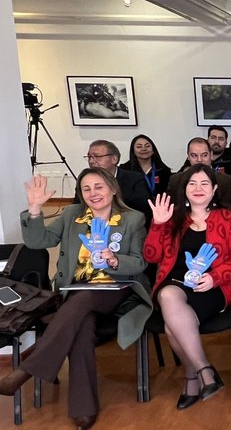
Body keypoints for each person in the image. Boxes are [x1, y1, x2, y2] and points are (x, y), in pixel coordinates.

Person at [0, 169, 151, 429]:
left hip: (117, 286)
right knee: (81, 325)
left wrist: (114, 259)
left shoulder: (132, 219)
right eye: (86, 189)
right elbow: (38, 242)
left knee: (80, 303)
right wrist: (34, 209)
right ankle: (84, 408)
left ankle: (26, 370)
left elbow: (140, 262)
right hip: (77, 287)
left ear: (113, 189)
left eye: (99, 187)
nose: (93, 194)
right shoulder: (72, 215)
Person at [144, 164, 231, 411]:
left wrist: (216, 277)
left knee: (172, 326)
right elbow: (151, 256)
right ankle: (204, 370)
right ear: (185, 189)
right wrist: (158, 224)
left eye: (204, 184)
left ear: (214, 189)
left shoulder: (227, 216)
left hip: (213, 285)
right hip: (176, 282)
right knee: (169, 296)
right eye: (192, 184)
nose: (198, 189)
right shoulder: (172, 216)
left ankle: (192, 378)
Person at [82, 140, 151, 221]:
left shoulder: (135, 179)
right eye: (89, 157)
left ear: (114, 159)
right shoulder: (85, 180)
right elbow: (79, 208)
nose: (91, 161)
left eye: (97, 157)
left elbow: (143, 211)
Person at [167, 138, 231, 205]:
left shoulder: (227, 181)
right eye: (194, 155)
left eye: (204, 155)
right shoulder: (175, 180)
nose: (199, 160)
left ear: (211, 155)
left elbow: (227, 212)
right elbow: (173, 209)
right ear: (188, 157)